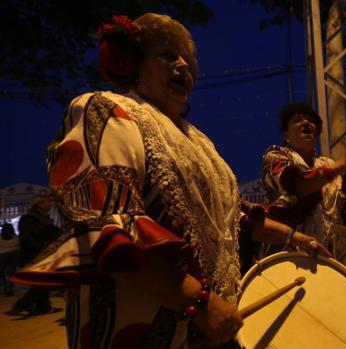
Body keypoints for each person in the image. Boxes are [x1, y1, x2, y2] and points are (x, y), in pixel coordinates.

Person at [13, 13, 329, 348]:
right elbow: (107, 229)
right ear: (134, 63)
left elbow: (232, 218)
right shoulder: (109, 110)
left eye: (187, 60)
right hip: (143, 323)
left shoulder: (199, 142)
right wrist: (200, 301)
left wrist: (297, 238)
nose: (182, 65)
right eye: (167, 54)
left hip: (208, 327)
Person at [261, 102, 346, 261]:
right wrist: (344, 162)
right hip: (286, 256)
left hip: (327, 256)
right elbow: (300, 187)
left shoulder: (327, 164)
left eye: (310, 120)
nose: (305, 123)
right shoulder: (275, 157)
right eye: (297, 120)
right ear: (286, 135)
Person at [9, 194, 61, 315]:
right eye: (48, 202)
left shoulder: (44, 218)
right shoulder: (29, 219)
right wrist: (43, 247)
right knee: (42, 283)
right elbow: (27, 239)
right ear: (40, 205)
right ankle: (20, 306)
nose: (50, 204)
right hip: (34, 255)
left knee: (43, 282)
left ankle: (44, 307)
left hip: (44, 254)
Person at [0, 223, 20, 297]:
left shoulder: (0, 238)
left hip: (2, 256)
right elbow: (19, 246)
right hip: (14, 255)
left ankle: (5, 288)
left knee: (2, 274)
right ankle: (9, 290)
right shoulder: (16, 237)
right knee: (10, 273)